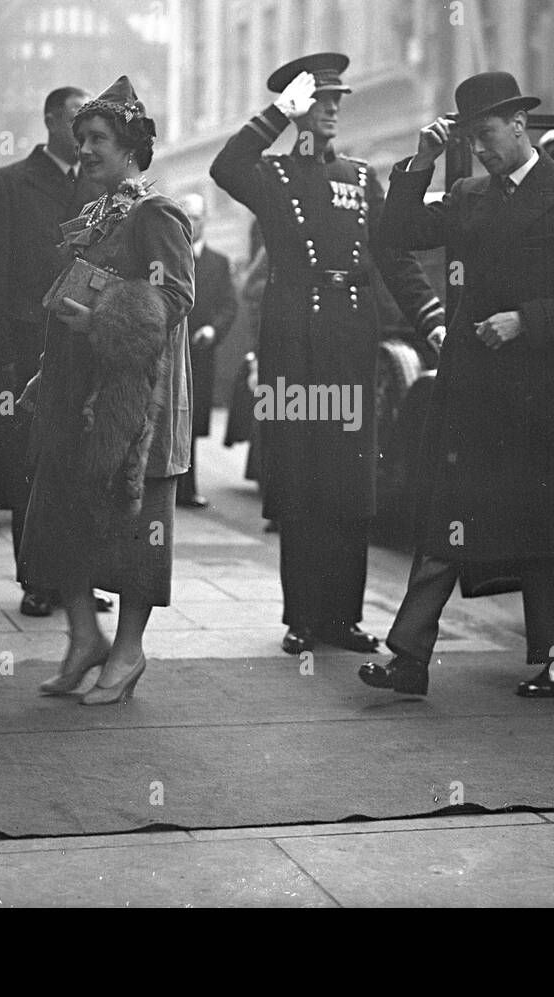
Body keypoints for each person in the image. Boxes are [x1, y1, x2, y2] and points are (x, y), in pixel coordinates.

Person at [358, 71, 554, 697]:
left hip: (542, 390)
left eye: (487, 136)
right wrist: (420, 164)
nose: (481, 149)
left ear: (519, 124)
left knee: (550, 530)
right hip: (474, 389)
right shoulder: (469, 195)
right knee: (444, 520)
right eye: (471, 139)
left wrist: (526, 321)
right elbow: (393, 237)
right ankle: (410, 659)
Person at [210, 52, 447, 656]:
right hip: (295, 347)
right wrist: (274, 113)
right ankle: (302, 618)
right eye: (321, 100)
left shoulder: (364, 177)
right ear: (298, 109)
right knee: (301, 481)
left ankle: (342, 618)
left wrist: (430, 318)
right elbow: (224, 165)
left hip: (349, 344)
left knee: (349, 482)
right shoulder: (271, 176)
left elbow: (392, 256)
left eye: (339, 99)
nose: (334, 109)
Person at [17, 76, 194, 705]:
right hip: (80, 395)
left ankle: (129, 651)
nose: (85, 148)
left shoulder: (156, 213)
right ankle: (84, 638)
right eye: (81, 137)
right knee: (64, 520)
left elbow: (176, 297)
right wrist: (50, 370)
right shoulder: (99, 216)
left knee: (137, 528)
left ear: (130, 149)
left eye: (98, 138)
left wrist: (99, 322)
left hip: (136, 405)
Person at [0, 85, 100, 618]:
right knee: (31, 467)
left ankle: (78, 580)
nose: (84, 136)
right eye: (75, 120)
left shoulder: (101, 191)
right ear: (48, 119)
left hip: (84, 344)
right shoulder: (7, 185)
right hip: (25, 352)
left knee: (81, 462)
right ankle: (38, 577)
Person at [176, 192, 236, 509]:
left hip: (200, 352)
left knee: (194, 419)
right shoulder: (168, 257)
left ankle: (188, 487)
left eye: (197, 217)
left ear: (206, 221)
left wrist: (213, 329)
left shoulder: (219, 262)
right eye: (185, 215)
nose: (191, 222)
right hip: (169, 349)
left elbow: (229, 304)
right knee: (168, 415)